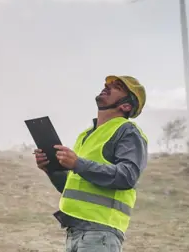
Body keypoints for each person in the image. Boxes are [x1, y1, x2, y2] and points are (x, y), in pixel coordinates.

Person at [34, 75, 148, 252]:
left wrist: (78, 163)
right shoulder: (86, 135)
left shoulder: (128, 132)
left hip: (100, 232)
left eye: (116, 86)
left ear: (126, 105)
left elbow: (127, 176)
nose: (107, 86)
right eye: (107, 83)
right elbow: (72, 187)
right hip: (75, 232)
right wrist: (50, 170)